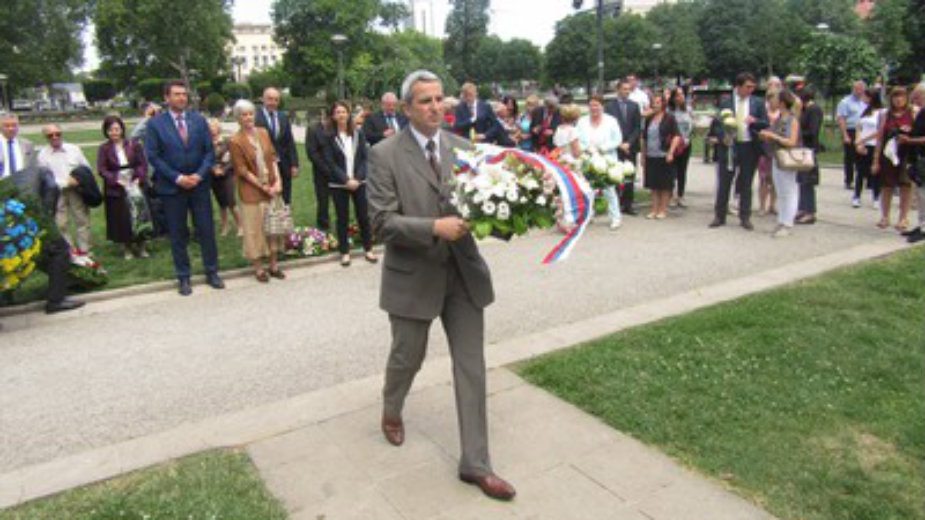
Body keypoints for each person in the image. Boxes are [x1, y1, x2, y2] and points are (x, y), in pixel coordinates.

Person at [367, 69, 516, 501]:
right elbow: (381, 223)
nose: (436, 107)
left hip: (464, 275)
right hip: (414, 276)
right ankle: (391, 408)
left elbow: (485, 202)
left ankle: (476, 464)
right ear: (408, 108)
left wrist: (512, 211)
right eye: (426, 101)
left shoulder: (465, 148)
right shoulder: (384, 154)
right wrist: (434, 226)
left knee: (471, 366)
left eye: (440, 99)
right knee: (406, 358)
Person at [145, 80, 224, 296]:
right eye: (177, 94)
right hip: (173, 189)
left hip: (199, 186)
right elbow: (153, 156)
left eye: (184, 94)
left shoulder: (198, 120)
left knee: (206, 230)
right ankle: (184, 276)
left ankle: (212, 271)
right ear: (167, 97)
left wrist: (199, 175)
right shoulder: (155, 125)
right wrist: (178, 178)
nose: (182, 98)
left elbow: (209, 152)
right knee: (178, 234)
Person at [3, 112, 84, 314]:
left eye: (14, 125)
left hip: (27, 207)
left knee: (57, 249)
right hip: (3, 208)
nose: (11, 129)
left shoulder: (27, 146)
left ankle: (56, 299)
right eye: (7, 126)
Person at [228, 100, 286, 282]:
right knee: (254, 231)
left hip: (272, 187)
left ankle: (274, 265)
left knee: (273, 228)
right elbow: (242, 171)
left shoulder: (263, 133)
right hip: (252, 192)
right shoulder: (235, 141)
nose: (248, 118)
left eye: (250, 114)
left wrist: (278, 181)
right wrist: (264, 187)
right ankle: (259, 269)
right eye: (244, 115)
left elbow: (273, 158)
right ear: (238, 118)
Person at [320, 100, 376, 267]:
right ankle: (344, 252)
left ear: (348, 113)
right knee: (342, 218)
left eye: (344, 111)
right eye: (337, 112)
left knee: (363, 216)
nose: (341, 115)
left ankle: (368, 249)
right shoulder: (329, 136)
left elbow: (365, 158)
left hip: (360, 182)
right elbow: (330, 163)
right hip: (339, 184)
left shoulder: (358, 133)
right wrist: (346, 180)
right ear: (333, 116)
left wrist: (357, 179)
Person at [710, 72, 769, 230]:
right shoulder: (726, 102)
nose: (750, 90)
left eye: (753, 87)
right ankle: (719, 215)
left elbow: (766, 123)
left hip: (749, 146)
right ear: (738, 86)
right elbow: (717, 124)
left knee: (746, 183)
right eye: (748, 87)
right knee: (724, 181)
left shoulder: (757, 103)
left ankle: (745, 217)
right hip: (730, 146)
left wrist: (755, 121)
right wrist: (723, 137)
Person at [97, 115, 150, 258]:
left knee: (139, 215)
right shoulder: (104, 148)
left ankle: (142, 246)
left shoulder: (134, 144)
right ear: (106, 131)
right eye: (110, 130)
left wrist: (138, 178)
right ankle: (126, 247)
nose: (114, 133)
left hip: (135, 184)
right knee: (122, 218)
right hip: (117, 188)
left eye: (117, 129)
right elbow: (102, 169)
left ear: (122, 129)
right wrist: (116, 180)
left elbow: (142, 164)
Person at [36, 124, 93, 255]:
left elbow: (86, 168)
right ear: (46, 137)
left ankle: (85, 250)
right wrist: (65, 182)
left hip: (76, 190)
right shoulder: (42, 155)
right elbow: (44, 178)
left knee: (82, 220)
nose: (55, 137)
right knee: (60, 223)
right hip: (56, 192)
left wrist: (79, 180)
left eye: (57, 134)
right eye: (50, 135)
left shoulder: (74, 149)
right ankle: (69, 251)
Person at [759, 90, 802, 238]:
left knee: (789, 191)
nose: (772, 101)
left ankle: (788, 223)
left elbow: (791, 141)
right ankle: (782, 220)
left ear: (782, 103)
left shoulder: (792, 120)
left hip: (787, 158)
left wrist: (772, 135)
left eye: (776, 99)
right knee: (780, 190)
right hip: (777, 157)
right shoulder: (779, 119)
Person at [577, 94, 624, 229]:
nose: (594, 108)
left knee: (609, 188)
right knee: (587, 188)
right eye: (591, 105)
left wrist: (603, 148)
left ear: (602, 106)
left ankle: (615, 217)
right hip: (588, 158)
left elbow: (617, 139)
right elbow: (578, 139)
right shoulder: (582, 121)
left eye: (597, 105)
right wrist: (587, 148)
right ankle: (588, 215)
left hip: (607, 158)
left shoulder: (611, 121)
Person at [872, 86, 914, 231]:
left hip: (907, 154)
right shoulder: (885, 115)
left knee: (905, 186)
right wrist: (875, 160)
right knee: (887, 186)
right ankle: (885, 216)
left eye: (901, 96)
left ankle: (903, 217)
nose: (898, 99)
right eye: (895, 96)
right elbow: (879, 138)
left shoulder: (912, 113)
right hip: (888, 154)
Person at [255, 87, 300, 206]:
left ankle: (285, 220)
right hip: (264, 164)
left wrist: (294, 164)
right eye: (270, 99)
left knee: (285, 196)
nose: (273, 103)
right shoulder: (255, 117)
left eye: (276, 100)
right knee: (267, 195)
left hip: (284, 163)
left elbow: (289, 141)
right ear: (263, 99)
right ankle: (268, 222)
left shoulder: (283, 117)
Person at [641, 93, 681, 220]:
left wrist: (670, 152)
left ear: (663, 104)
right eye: (653, 102)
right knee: (653, 184)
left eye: (658, 102)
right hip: (651, 155)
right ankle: (654, 209)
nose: (655, 105)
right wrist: (643, 154)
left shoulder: (669, 118)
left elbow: (676, 136)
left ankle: (663, 209)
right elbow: (644, 138)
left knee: (664, 185)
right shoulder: (649, 119)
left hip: (664, 155)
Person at [606, 79, 642, 215]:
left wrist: (629, 143)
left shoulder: (634, 106)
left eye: (628, 89)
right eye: (624, 89)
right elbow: (608, 127)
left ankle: (628, 204)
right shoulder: (610, 106)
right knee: (614, 175)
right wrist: (619, 143)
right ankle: (616, 204)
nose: (627, 91)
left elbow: (637, 127)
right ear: (618, 90)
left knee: (629, 175)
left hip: (630, 146)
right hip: (616, 146)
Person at [207, 118, 241, 236]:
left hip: (228, 175)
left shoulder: (227, 141)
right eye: (210, 127)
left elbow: (233, 159)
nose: (212, 129)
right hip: (213, 176)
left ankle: (240, 225)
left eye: (214, 126)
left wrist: (223, 170)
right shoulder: (206, 143)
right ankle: (225, 226)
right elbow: (205, 159)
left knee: (231, 201)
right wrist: (213, 169)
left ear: (218, 127)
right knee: (221, 203)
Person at [852, 89, 884, 209]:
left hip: (874, 144)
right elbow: (859, 127)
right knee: (860, 171)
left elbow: (879, 131)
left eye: (865, 97)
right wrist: (858, 142)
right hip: (862, 145)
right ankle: (856, 196)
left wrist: (863, 140)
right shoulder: (864, 111)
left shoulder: (881, 112)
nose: (863, 99)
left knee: (875, 172)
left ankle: (876, 197)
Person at [901, 84, 925, 243]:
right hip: (919, 157)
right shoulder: (922, 112)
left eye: (917, 97)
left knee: (924, 194)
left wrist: (909, 139)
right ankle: (921, 223)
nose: (914, 100)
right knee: (919, 193)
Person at [796, 86, 823, 225]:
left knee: (808, 181)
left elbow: (813, 131)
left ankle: (810, 211)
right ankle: (802, 208)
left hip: (809, 149)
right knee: (801, 180)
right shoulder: (805, 110)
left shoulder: (814, 110)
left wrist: (798, 134)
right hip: (802, 148)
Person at [837, 80, 868, 190]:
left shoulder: (865, 103)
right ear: (853, 89)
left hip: (864, 131)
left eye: (861, 89)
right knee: (850, 157)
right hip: (851, 130)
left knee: (863, 156)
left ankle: (863, 179)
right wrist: (845, 135)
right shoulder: (845, 102)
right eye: (857, 89)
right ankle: (849, 180)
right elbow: (841, 119)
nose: (859, 91)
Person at [304, 111, 332, 231]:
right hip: (321, 171)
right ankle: (323, 225)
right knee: (323, 199)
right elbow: (312, 153)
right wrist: (326, 169)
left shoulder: (337, 128)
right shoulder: (313, 129)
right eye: (327, 118)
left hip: (338, 170)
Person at [668, 86, 694, 208]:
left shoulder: (688, 110)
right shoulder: (669, 111)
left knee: (682, 170)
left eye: (682, 94)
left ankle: (681, 195)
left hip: (685, 143)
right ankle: (671, 195)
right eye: (677, 95)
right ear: (673, 98)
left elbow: (691, 126)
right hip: (673, 144)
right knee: (672, 170)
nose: (680, 97)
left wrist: (687, 138)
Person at [757, 90, 780, 216]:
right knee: (764, 178)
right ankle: (762, 205)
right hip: (764, 148)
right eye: (774, 99)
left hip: (776, 148)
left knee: (775, 179)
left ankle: (772, 204)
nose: (777, 102)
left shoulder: (782, 113)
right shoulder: (763, 112)